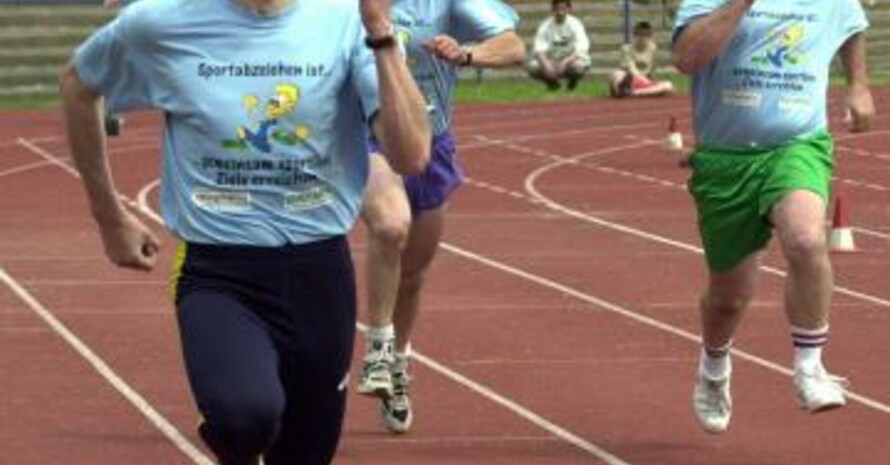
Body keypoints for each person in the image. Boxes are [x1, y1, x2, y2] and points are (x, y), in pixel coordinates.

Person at [59, 0, 431, 464]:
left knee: (305, 453)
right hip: (219, 272)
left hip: (319, 273)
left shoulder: (346, 22)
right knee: (243, 416)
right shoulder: (161, 22)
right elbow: (79, 84)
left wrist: (380, 33)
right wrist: (109, 215)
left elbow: (412, 155)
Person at [673, 0, 873, 434]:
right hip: (725, 160)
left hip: (797, 144)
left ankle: (809, 367)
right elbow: (687, 57)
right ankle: (714, 367)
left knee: (805, 239)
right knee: (729, 298)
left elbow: (853, 24)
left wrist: (857, 84)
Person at [355, 0, 525, 434]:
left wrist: (468, 54)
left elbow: (513, 46)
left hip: (433, 139)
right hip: (371, 138)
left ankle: (397, 361)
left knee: (413, 275)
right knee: (391, 226)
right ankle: (377, 345)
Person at [526, 0, 591, 91]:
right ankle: (552, 83)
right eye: (557, 9)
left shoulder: (575, 24)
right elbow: (539, 49)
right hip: (552, 60)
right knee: (532, 67)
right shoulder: (545, 25)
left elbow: (582, 47)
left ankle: (573, 81)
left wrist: (565, 62)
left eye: (563, 8)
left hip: (570, 60)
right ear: (552, 9)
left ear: (569, 9)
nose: (560, 12)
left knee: (580, 66)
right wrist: (547, 65)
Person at [608, 21, 675, 98]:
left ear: (650, 37)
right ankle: (623, 90)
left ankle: (635, 93)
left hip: (644, 83)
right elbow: (631, 69)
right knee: (616, 74)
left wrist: (650, 82)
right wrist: (642, 80)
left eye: (646, 36)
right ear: (634, 36)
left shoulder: (652, 48)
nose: (642, 38)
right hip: (630, 79)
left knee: (668, 85)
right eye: (639, 35)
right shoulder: (626, 49)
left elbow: (651, 69)